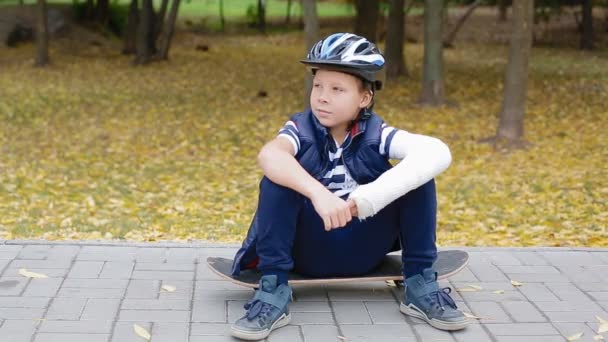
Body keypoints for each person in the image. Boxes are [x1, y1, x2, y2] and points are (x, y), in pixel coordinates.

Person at [229, 32, 468, 341]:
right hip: (306, 251)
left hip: (365, 246)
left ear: (364, 97)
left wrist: (364, 201)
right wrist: (319, 195)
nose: (322, 97)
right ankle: (274, 289)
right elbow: (270, 154)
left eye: (337, 89)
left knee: (419, 176)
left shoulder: (376, 133)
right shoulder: (300, 129)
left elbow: (436, 152)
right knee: (278, 178)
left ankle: (419, 282)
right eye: (318, 86)